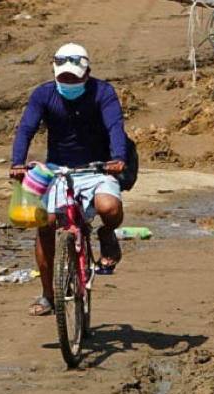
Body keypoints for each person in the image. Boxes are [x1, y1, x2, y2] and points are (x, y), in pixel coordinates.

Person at [10, 43, 132, 316]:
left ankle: (107, 233)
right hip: (56, 169)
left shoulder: (103, 92)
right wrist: (17, 163)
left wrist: (118, 157)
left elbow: (115, 126)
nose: (68, 82)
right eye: (63, 77)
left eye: (74, 78)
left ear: (87, 73)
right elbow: (26, 129)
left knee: (108, 208)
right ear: (54, 73)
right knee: (46, 223)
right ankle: (47, 295)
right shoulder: (43, 94)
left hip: (98, 167)